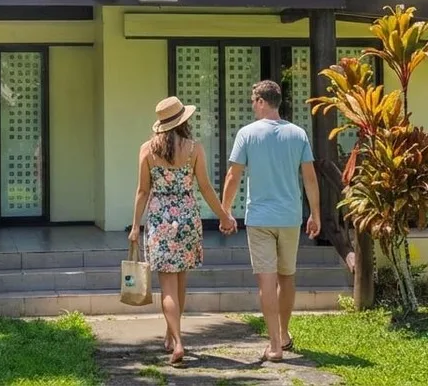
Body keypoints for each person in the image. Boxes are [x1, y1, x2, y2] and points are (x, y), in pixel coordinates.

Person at [131, 96, 237, 367]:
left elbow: (143, 191)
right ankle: (172, 335)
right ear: (184, 122)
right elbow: (205, 187)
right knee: (181, 282)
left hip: (160, 219)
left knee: (167, 285)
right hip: (188, 217)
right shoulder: (194, 149)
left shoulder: (147, 150)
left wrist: (135, 226)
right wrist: (224, 216)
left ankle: (176, 341)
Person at [221, 80, 320, 363]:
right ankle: (285, 334)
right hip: (290, 218)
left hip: (260, 218)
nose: (252, 105)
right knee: (287, 277)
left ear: (263, 102)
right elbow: (309, 178)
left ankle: (275, 345)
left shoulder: (247, 134)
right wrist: (315, 213)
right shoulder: (298, 134)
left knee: (266, 280)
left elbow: (233, 176)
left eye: (254, 101)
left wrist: (226, 211)